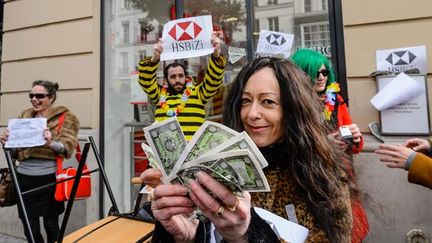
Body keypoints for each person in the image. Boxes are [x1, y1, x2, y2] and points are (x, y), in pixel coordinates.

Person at [140, 57, 354, 242]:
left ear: (292, 108)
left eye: (268, 101)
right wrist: (186, 237)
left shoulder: (323, 176)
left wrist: (247, 235)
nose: (252, 113)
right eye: (245, 101)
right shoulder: (211, 171)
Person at [291, 48, 368, 243]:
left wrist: (356, 138)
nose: (321, 77)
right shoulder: (292, 106)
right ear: (301, 74)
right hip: (309, 181)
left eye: (324, 72)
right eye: (315, 72)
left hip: (340, 176)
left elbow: (355, 147)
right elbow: (291, 145)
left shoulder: (336, 101)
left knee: (348, 229)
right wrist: (326, 144)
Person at [0, 80, 80, 243]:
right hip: (23, 178)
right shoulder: (25, 115)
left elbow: (68, 148)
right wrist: (7, 142)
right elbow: (14, 152)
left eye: (39, 96)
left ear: (51, 97)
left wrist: (50, 142)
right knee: (29, 226)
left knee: (51, 225)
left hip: (48, 179)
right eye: (31, 95)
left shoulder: (66, 117)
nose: (34, 99)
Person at [138, 34, 226, 141]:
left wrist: (216, 56)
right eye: (173, 77)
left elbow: (214, 81)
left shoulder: (198, 93)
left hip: (193, 155)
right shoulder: (159, 94)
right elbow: (145, 81)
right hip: (168, 154)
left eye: (181, 76)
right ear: (166, 80)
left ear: (186, 77)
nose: (178, 80)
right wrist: (154, 60)